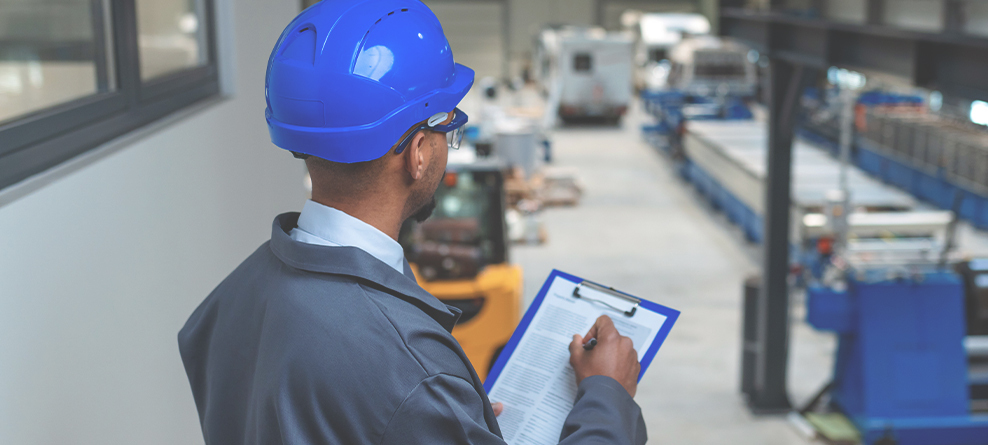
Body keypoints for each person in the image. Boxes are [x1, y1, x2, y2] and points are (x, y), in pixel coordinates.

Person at [177, 1, 646, 443]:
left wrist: (452, 421)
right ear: (419, 153)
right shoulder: (411, 370)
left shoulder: (229, 301)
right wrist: (608, 396)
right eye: (447, 128)